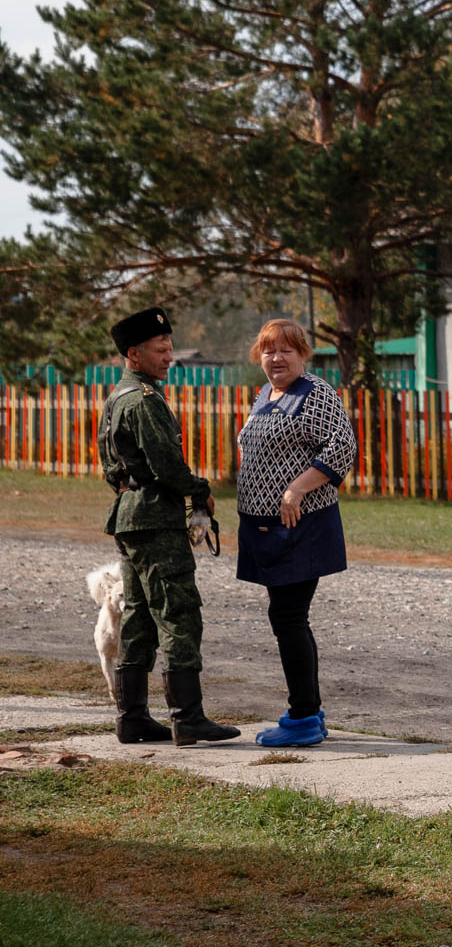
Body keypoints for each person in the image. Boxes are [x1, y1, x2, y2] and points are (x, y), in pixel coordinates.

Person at [96, 307, 241, 745]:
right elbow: (166, 464)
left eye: (170, 348)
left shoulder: (116, 397)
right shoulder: (143, 400)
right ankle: (188, 717)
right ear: (134, 354)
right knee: (179, 613)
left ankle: (133, 717)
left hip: (129, 517)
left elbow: (110, 468)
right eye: (160, 350)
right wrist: (200, 490)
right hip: (156, 519)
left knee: (139, 615)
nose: (169, 356)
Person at [234, 319, 357, 747]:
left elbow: (342, 447)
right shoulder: (264, 395)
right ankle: (310, 712)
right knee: (286, 617)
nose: (276, 357)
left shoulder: (315, 392)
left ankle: (303, 718)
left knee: (288, 617)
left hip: (300, 527)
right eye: (269, 350)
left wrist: (295, 488)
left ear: (303, 354)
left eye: (287, 349)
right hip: (263, 529)